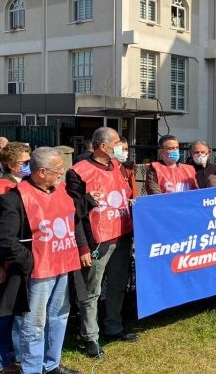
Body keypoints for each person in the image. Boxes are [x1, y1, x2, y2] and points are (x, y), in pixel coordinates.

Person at [0, 147, 81, 374]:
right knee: (34, 323)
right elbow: (5, 239)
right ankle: (32, 369)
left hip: (63, 264)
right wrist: (29, 261)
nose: (62, 172)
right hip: (38, 272)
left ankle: (51, 364)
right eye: (58, 168)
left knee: (59, 315)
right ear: (42, 172)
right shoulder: (14, 198)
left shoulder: (60, 191)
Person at [66, 127, 138, 359]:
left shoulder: (117, 166)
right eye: (116, 142)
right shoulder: (78, 172)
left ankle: (113, 326)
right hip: (97, 241)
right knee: (91, 291)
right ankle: (90, 337)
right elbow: (73, 212)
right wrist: (83, 246)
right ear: (104, 146)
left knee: (117, 285)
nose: (121, 147)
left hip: (121, 236)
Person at [0, 142, 31, 374]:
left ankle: (20, 354)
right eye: (25, 162)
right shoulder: (3, 188)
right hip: (7, 260)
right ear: (11, 165)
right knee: (5, 312)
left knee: (20, 310)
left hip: (26, 258)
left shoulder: (29, 184)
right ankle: (4, 360)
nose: (29, 165)